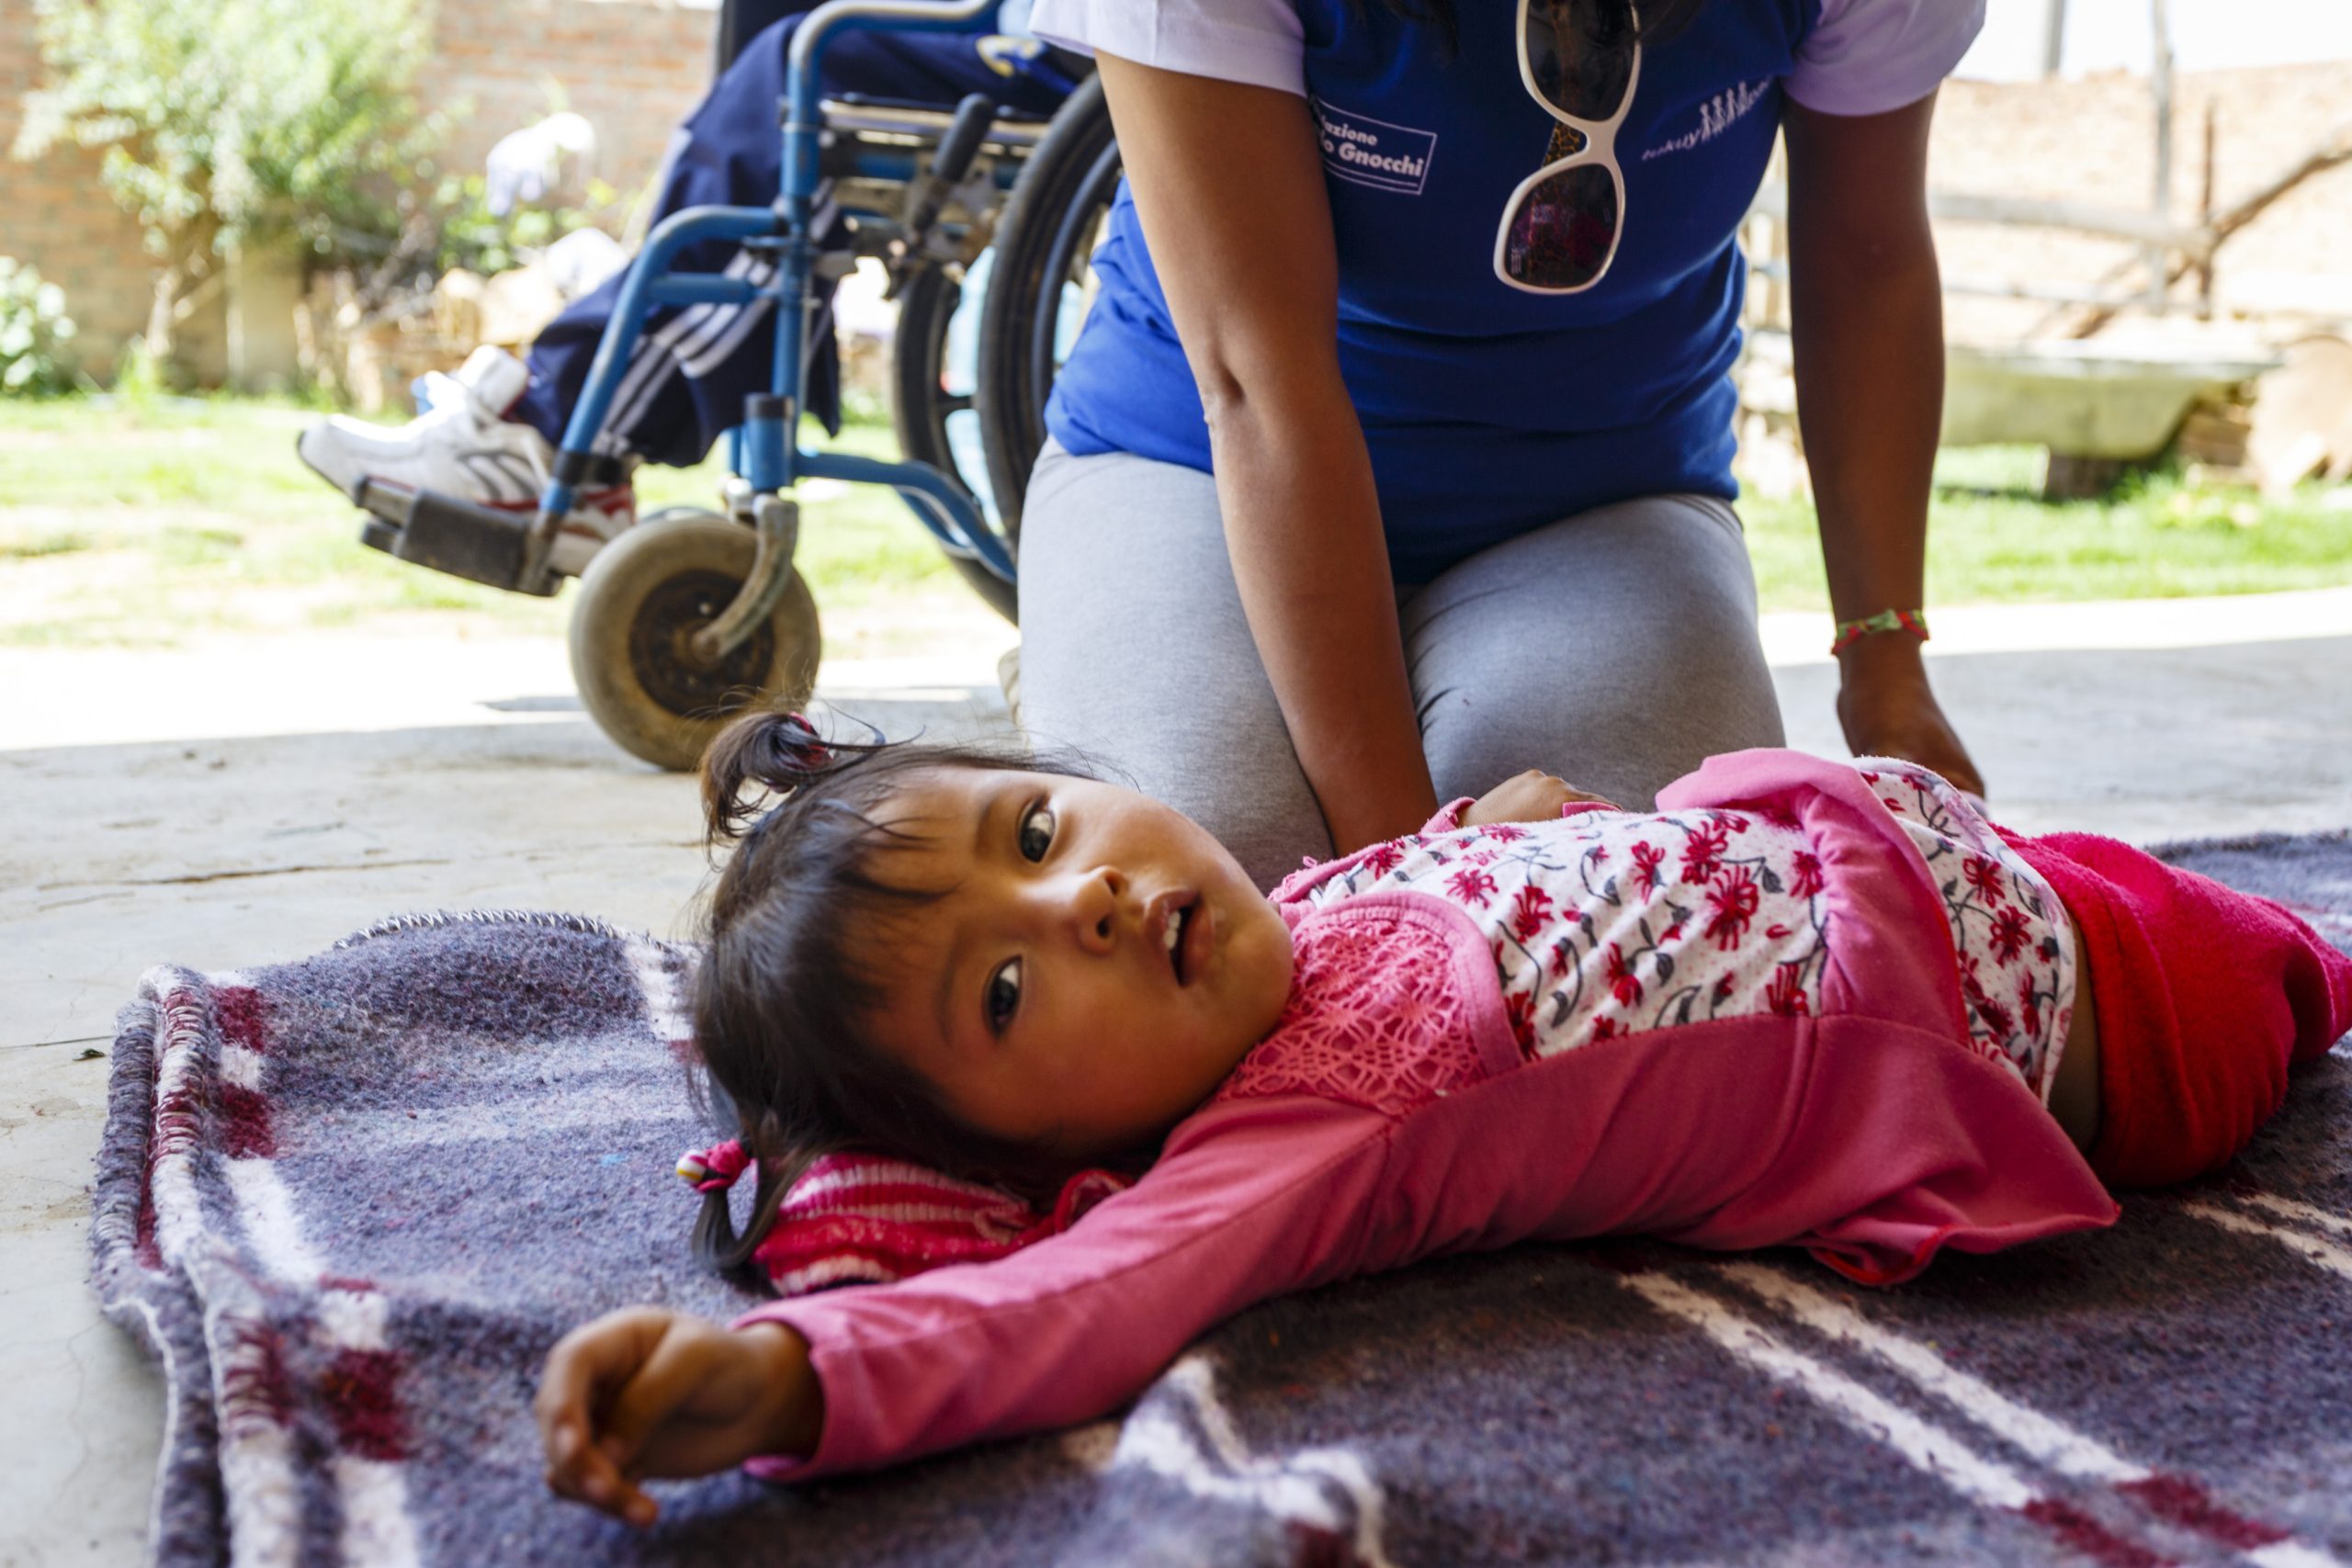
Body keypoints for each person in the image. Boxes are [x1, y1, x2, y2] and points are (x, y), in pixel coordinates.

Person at [532, 707, 2352, 1524]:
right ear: (1046, 1159)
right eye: (1002, 994)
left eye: (1031, 830)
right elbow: (1053, 1311)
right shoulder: (1282, 1146)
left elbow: (1426, 894)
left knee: (2239, 921)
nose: (1071, 898)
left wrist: (1510, 832)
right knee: (2283, 980)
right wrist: (782, 1379)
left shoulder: (1293, 915)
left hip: (1909, 846)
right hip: (2061, 1027)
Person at [1009, 0, 1996, 891]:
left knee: (1640, 894)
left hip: (1595, 496)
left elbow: (1864, 261)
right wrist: (1410, 872)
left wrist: (1886, 674)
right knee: (1225, 876)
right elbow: (1261, 390)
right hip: (1196, 465)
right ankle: (1093, 658)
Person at [296, 3, 1075, 573]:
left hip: (1058, 48)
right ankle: (562, 429)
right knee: (771, 38)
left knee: (796, 58)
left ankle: (556, 438)